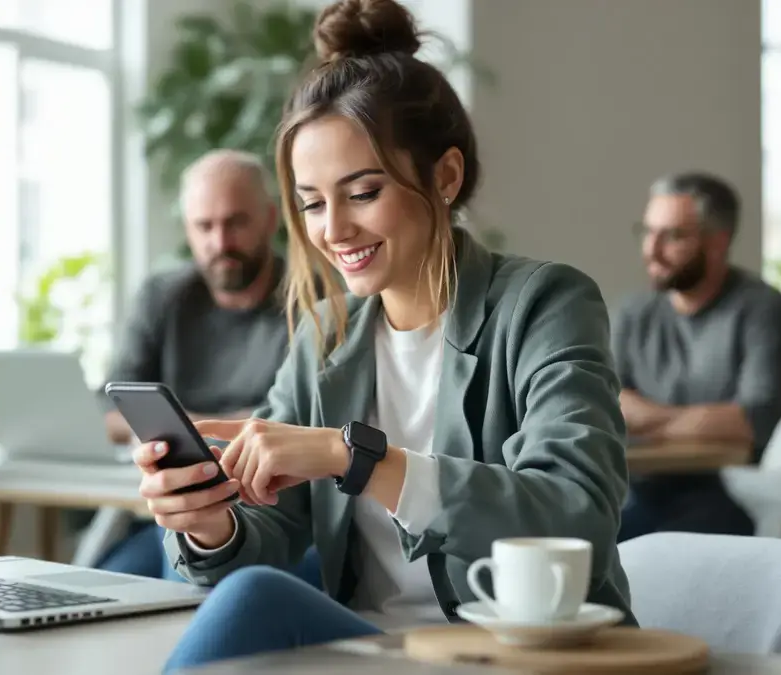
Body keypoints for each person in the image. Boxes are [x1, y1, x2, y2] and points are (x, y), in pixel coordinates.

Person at [131, 0, 636, 670]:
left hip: (521, 656)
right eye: (312, 202)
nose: (332, 230)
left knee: (254, 601)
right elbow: (268, 531)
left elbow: (578, 516)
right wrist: (208, 520)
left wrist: (355, 458)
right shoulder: (326, 336)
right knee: (210, 581)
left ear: (445, 177)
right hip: (375, 652)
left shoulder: (544, 303)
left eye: (362, 192)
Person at [92, 149, 321, 587]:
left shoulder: (312, 299)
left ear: (271, 220)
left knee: (175, 574)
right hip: (173, 504)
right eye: (205, 226)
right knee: (99, 584)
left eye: (236, 223)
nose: (221, 243)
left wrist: (178, 426)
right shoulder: (163, 296)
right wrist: (203, 432)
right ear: (188, 230)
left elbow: (292, 426)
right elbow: (110, 408)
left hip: (271, 510)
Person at [612, 172, 781, 541]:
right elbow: (609, 402)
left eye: (672, 236)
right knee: (586, 535)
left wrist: (648, 417)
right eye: (647, 231)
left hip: (735, 493)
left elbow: (753, 419)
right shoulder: (634, 313)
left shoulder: (766, 312)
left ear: (717, 243)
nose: (652, 249)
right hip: (644, 486)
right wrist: (701, 419)